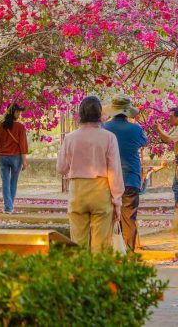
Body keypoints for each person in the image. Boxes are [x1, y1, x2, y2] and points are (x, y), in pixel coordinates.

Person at [56, 95, 124, 252]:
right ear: (100, 114)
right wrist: (117, 201)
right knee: (101, 245)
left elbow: (61, 168)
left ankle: (80, 274)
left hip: (77, 191)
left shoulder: (70, 138)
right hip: (101, 190)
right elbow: (114, 171)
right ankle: (98, 275)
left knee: (78, 244)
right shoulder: (109, 138)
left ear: (81, 114)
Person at [103, 95, 147, 252]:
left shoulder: (104, 128)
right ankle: (129, 252)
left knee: (108, 217)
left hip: (109, 178)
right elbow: (143, 142)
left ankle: (110, 250)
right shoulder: (136, 129)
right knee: (129, 217)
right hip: (130, 178)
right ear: (127, 111)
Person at [0, 103, 29, 214]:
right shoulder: (20, 127)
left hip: (3, 157)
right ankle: (9, 207)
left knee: (5, 182)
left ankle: (8, 207)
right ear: (13, 112)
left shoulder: (1, 126)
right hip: (16, 158)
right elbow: (23, 145)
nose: (19, 114)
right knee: (13, 182)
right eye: (18, 112)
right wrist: (24, 161)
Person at [152, 107, 178, 206]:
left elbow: (169, 140)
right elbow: (165, 139)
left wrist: (159, 130)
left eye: (171, 117)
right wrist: (159, 129)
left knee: (177, 185)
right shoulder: (176, 127)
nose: (169, 119)